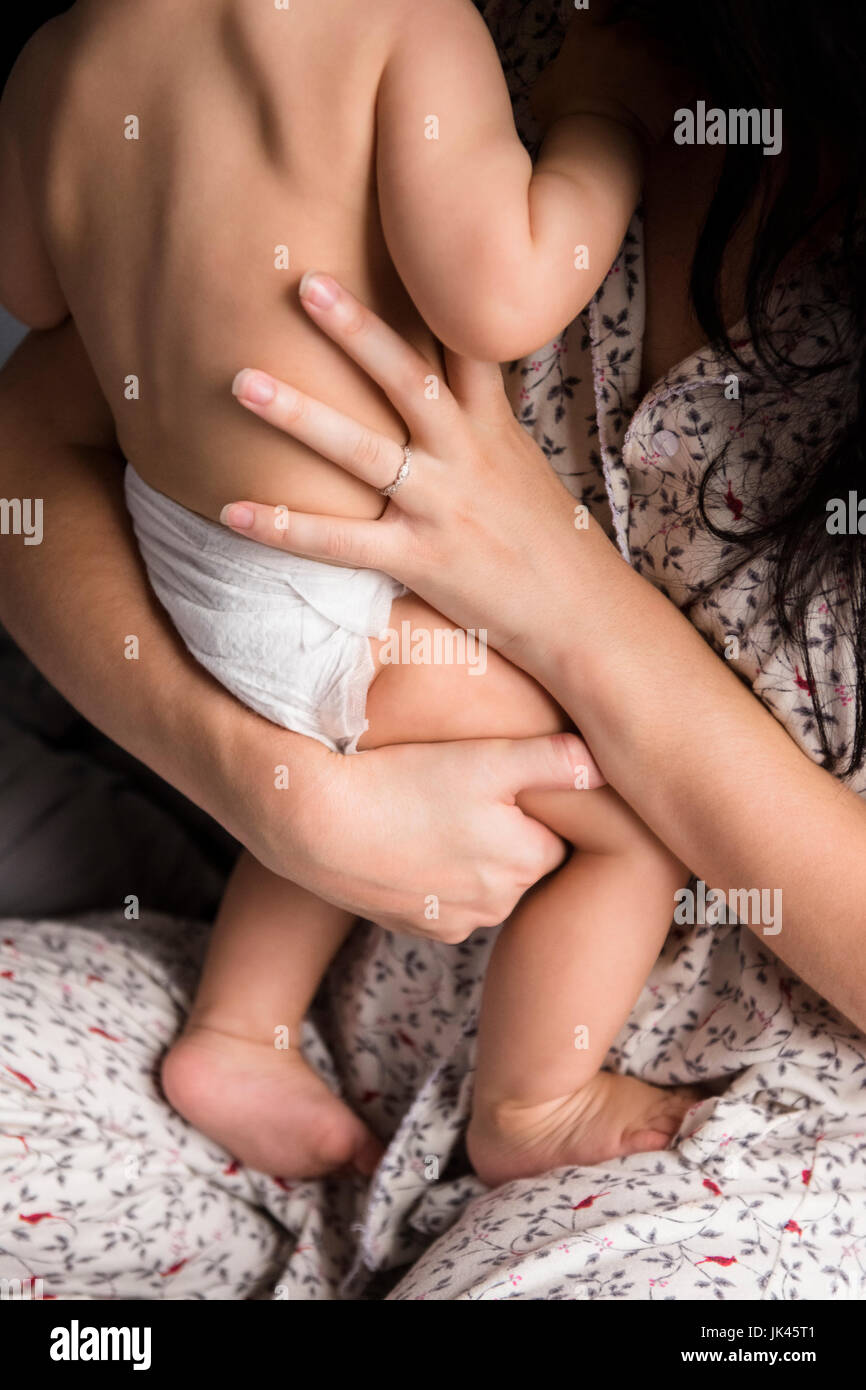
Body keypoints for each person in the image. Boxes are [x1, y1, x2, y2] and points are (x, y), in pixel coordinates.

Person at [1, 0, 866, 1297]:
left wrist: (567, 599)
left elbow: (32, 282)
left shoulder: (74, 53)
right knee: (585, 806)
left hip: (730, 1145)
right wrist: (270, 786)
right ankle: (487, 1086)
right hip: (331, 1001)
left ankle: (271, 1032)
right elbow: (26, 450)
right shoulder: (458, 47)